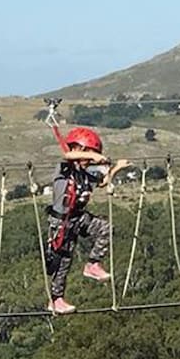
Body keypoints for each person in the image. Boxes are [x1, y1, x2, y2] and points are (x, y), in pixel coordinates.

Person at [45, 126, 132, 314]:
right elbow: (68, 156)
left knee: (105, 228)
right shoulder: (65, 169)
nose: (89, 161)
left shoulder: (85, 175)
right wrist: (94, 157)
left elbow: (102, 182)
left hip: (79, 217)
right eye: (88, 155)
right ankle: (56, 299)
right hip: (61, 222)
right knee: (62, 262)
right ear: (81, 150)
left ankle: (93, 264)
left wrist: (116, 168)